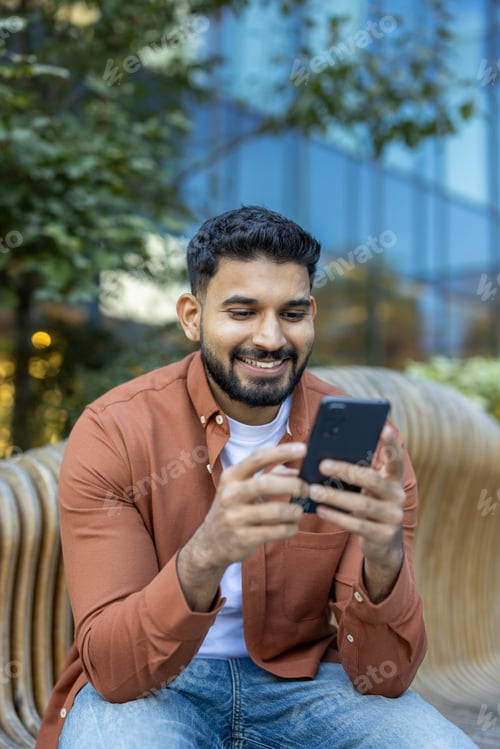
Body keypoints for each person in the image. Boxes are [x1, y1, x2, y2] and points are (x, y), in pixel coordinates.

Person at [37, 206, 477, 748]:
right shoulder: (115, 432)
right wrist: (208, 552)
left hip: (308, 682)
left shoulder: (367, 444)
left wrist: (386, 561)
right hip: (160, 687)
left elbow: (384, 677)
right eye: (242, 312)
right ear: (192, 316)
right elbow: (114, 670)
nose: (270, 339)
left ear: (311, 313)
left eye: (291, 314)